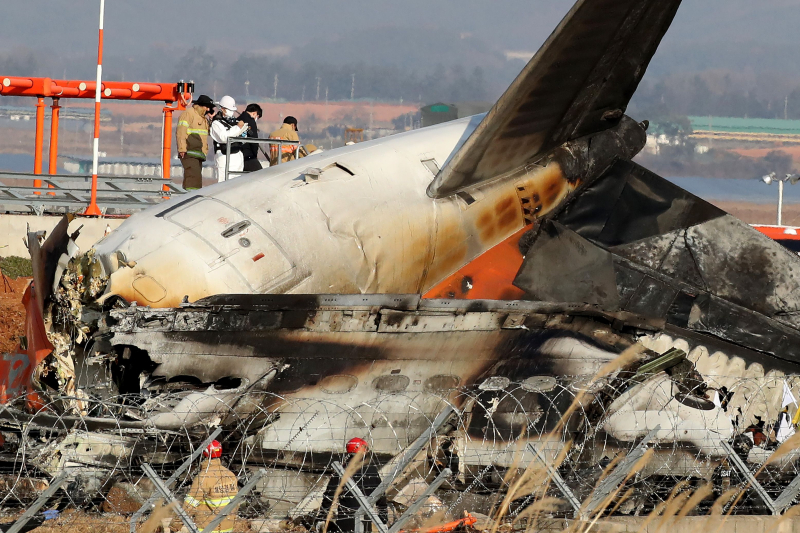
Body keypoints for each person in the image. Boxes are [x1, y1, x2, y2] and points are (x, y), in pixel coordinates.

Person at [317, 438, 387, 533]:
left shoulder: (341, 471)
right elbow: (380, 495)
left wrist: (321, 518)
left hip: (345, 522)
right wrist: (383, 518)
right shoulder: (371, 471)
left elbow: (329, 496)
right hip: (365, 522)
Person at [179, 440, 239, 533]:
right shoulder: (230, 474)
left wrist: (175, 525)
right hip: (227, 528)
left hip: (208, 529)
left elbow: (189, 506)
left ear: (203, 454)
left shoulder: (203, 477)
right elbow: (236, 503)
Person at [176, 94, 214, 190]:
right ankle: (191, 198)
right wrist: (182, 148)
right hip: (189, 152)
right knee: (193, 180)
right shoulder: (188, 114)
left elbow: (209, 133)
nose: (208, 110)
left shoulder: (203, 119)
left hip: (198, 154)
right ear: (201, 105)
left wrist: (212, 119)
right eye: (207, 107)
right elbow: (181, 132)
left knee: (195, 179)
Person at [210, 95, 248, 182]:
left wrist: (243, 131)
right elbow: (224, 137)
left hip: (237, 155)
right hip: (225, 157)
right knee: (224, 183)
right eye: (229, 110)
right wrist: (238, 128)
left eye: (233, 110)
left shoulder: (233, 122)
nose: (232, 112)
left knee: (236, 184)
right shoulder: (216, 123)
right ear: (222, 108)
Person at [239, 103, 263, 172]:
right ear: (254, 113)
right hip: (248, 155)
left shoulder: (238, 119)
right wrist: (254, 155)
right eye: (257, 117)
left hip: (238, 154)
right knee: (259, 174)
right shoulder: (251, 121)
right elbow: (254, 141)